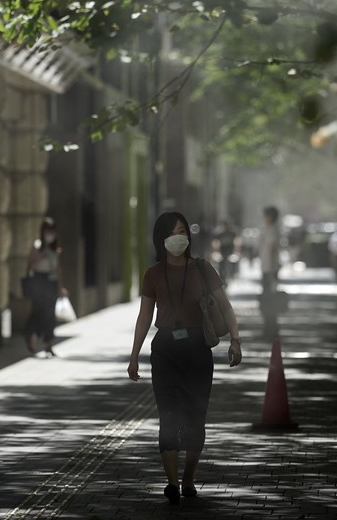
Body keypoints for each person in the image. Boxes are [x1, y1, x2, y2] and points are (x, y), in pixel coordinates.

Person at [127, 211, 243, 505]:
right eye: (171, 232)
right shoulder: (153, 273)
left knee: (195, 416)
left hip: (197, 348)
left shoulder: (204, 269)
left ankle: (189, 478)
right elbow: (144, 317)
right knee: (168, 416)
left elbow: (226, 307)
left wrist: (236, 341)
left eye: (182, 231)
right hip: (165, 349)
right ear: (161, 239)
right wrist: (133, 355)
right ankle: (172, 483)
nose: (178, 237)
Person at [24, 216, 69, 356]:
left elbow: (57, 269)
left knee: (50, 313)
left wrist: (60, 287)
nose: (50, 234)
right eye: (47, 231)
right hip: (39, 280)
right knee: (38, 311)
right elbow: (31, 266)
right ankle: (31, 336)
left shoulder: (55, 248)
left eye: (52, 231)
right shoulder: (37, 246)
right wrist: (42, 256)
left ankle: (49, 343)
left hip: (51, 281)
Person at [259, 205, 283, 339]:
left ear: (270, 217)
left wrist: (272, 272)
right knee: (268, 300)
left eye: (265, 215)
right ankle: (269, 327)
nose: (263, 218)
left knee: (269, 301)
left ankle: (271, 329)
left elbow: (272, 250)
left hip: (269, 270)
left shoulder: (272, 231)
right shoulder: (269, 230)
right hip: (268, 269)